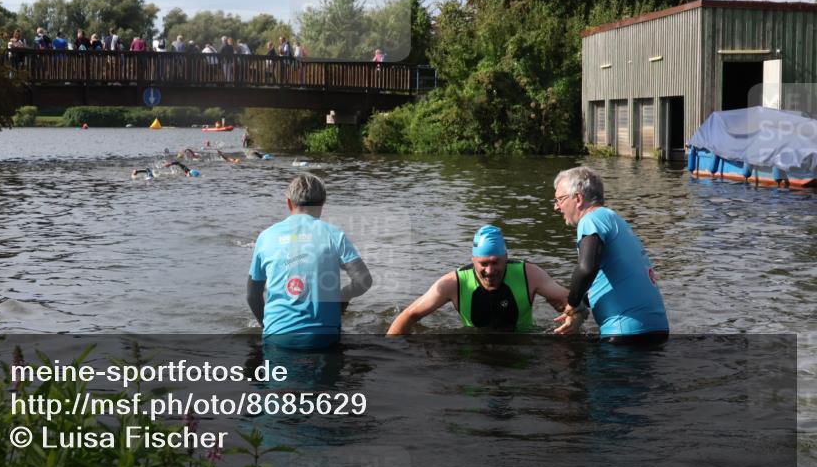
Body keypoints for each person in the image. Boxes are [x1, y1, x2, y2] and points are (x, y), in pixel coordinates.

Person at [248, 173, 373, 349]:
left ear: (289, 203)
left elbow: (252, 295)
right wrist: (342, 298)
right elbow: (364, 280)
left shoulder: (266, 236)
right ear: (322, 204)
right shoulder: (334, 235)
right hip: (323, 340)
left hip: (277, 339)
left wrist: (267, 327)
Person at [551, 166, 669, 343]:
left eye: (559, 199)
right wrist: (581, 307)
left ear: (577, 198)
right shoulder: (613, 219)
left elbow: (586, 269)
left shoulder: (590, 219)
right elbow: (607, 278)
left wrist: (571, 305)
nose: (556, 207)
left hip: (624, 332)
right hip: (656, 328)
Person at [387, 225, 570, 335]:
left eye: (496, 262)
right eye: (483, 264)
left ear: (506, 257)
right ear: (473, 259)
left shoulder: (529, 274)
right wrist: (392, 352)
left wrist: (573, 321)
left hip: (522, 343)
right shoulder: (455, 283)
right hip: (473, 350)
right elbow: (409, 315)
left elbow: (570, 300)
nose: (490, 271)